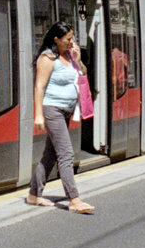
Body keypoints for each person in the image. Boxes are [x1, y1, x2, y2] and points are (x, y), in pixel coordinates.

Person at [29, 21, 95, 214]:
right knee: (66, 154)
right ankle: (74, 199)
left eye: (72, 38)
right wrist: (39, 115)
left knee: (50, 154)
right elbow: (39, 87)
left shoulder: (69, 56)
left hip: (66, 110)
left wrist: (79, 59)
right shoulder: (47, 58)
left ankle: (34, 194)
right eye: (67, 39)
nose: (71, 42)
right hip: (52, 109)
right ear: (56, 39)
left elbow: (83, 73)